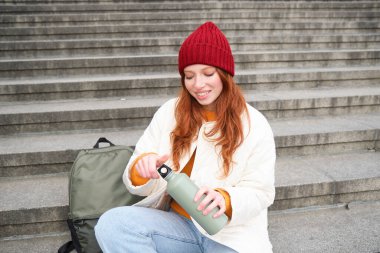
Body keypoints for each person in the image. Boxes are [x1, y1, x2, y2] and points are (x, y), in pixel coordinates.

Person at [95, 21, 276, 253]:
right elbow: (137, 167)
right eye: (189, 76)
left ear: (225, 74)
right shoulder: (170, 112)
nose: (198, 84)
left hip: (229, 235)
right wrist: (141, 170)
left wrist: (226, 199)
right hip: (175, 227)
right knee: (113, 224)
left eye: (208, 73)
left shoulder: (254, 123)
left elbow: (261, 192)